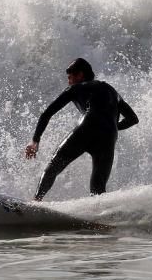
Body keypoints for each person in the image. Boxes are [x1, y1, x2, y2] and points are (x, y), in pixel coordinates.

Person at [25, 58, 139, 201]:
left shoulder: (76, 88)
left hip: (87, 127)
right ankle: (98, 219)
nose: (68, 81)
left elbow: (47, 113)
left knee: (53, 168)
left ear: (80, 75)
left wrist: (35, 141)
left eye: (70, 77)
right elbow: (133, 119)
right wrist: (111, 127)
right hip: (109, 136)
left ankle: (36, 201)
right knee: (98, 186)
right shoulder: (113, 92)